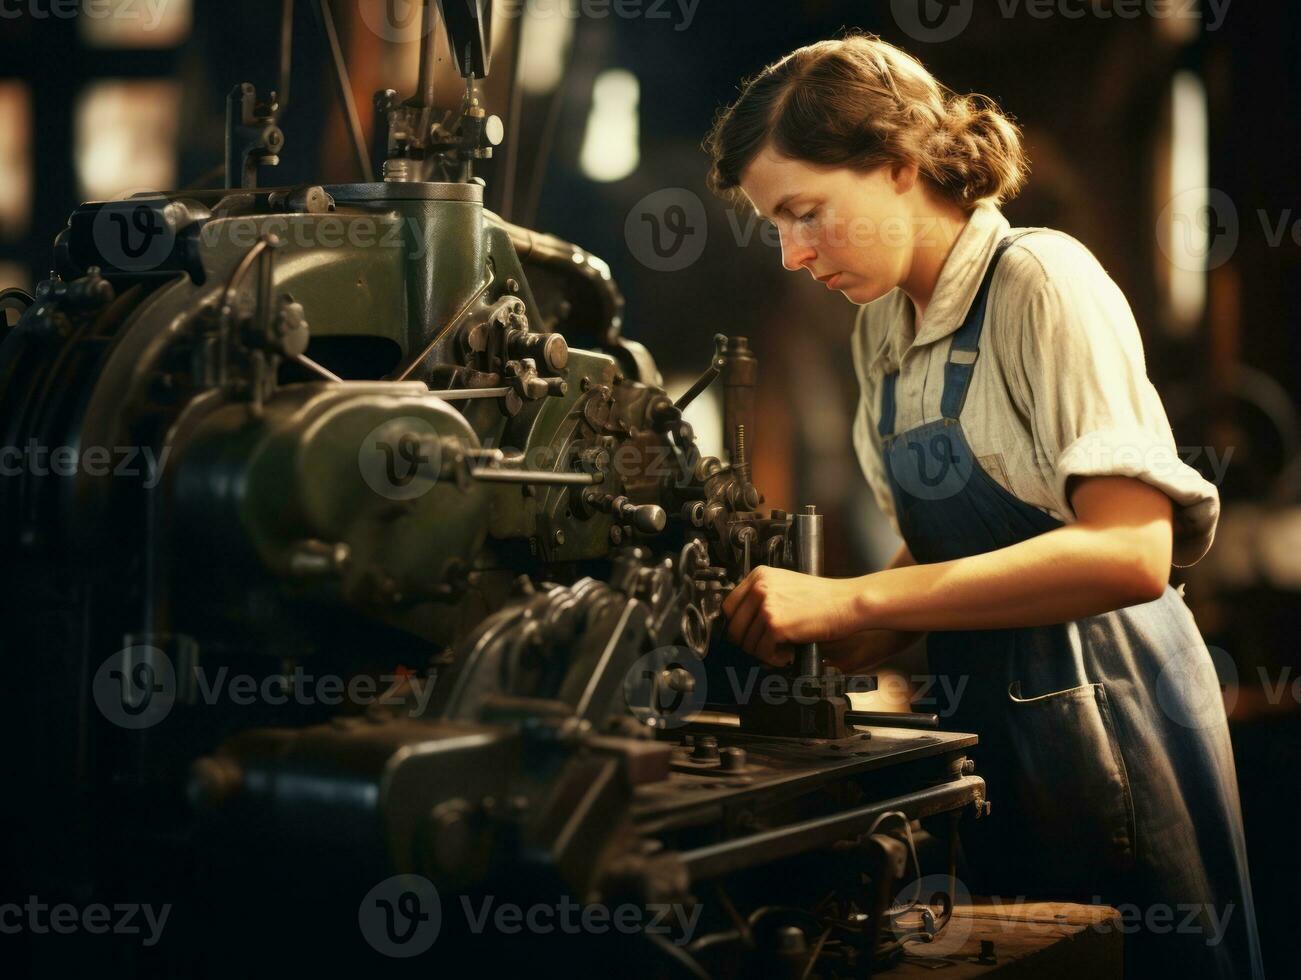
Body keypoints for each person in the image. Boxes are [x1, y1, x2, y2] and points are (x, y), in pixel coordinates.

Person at [704, 33, 1263, 979]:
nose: (794, 255)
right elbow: (934, 553)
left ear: (897, 162)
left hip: (1117, 722)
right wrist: (843, 626)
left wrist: (860, 602)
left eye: (806, 213)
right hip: (992, 743)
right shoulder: (879, 331)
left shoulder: (1040, 281)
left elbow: (1129, 554)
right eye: (777, 227)